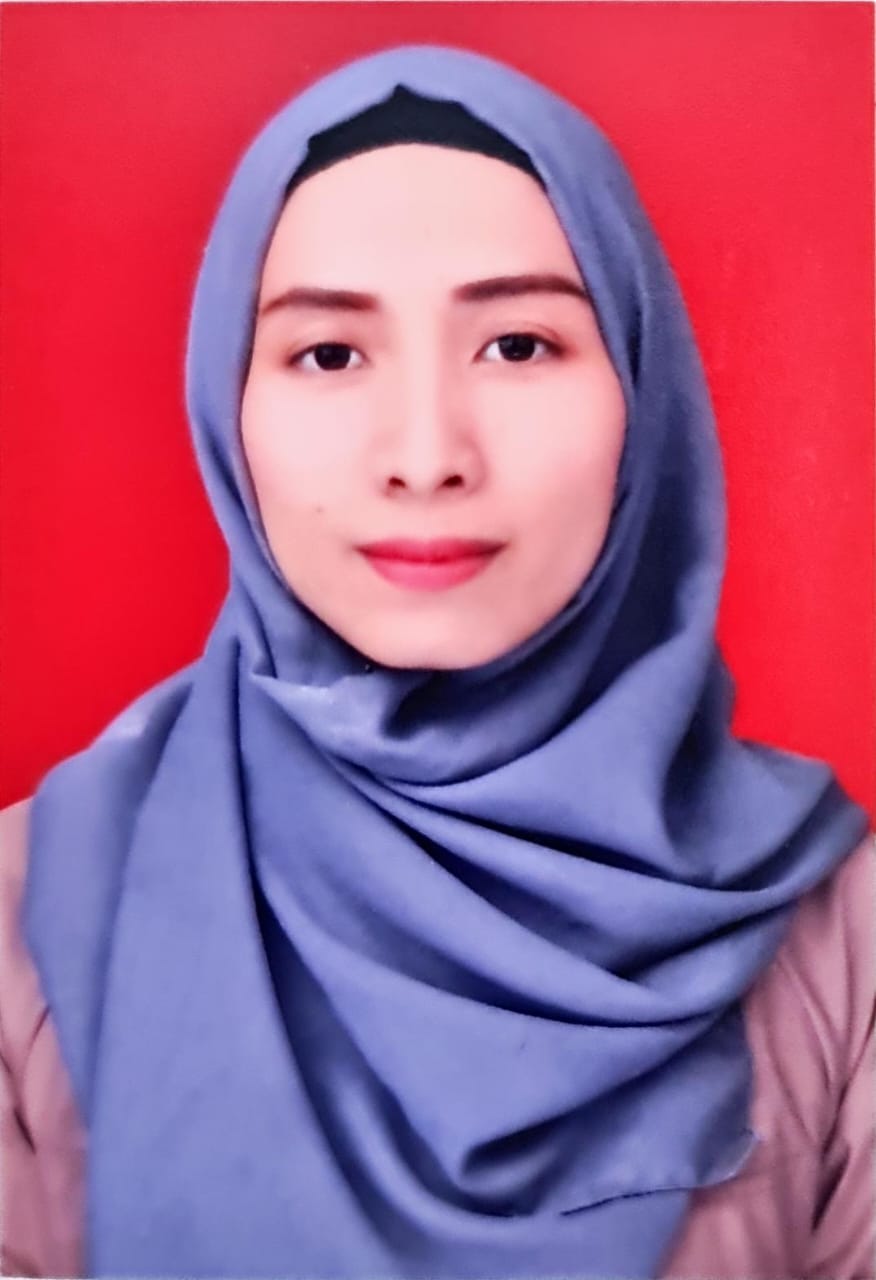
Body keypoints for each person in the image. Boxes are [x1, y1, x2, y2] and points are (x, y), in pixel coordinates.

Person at [1, 43, 872, 1280]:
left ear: (643, 390)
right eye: (330, 354)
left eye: (517, 344)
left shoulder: (842, 930)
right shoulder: (27, 914)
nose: (425, 455)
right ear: (226, 409)